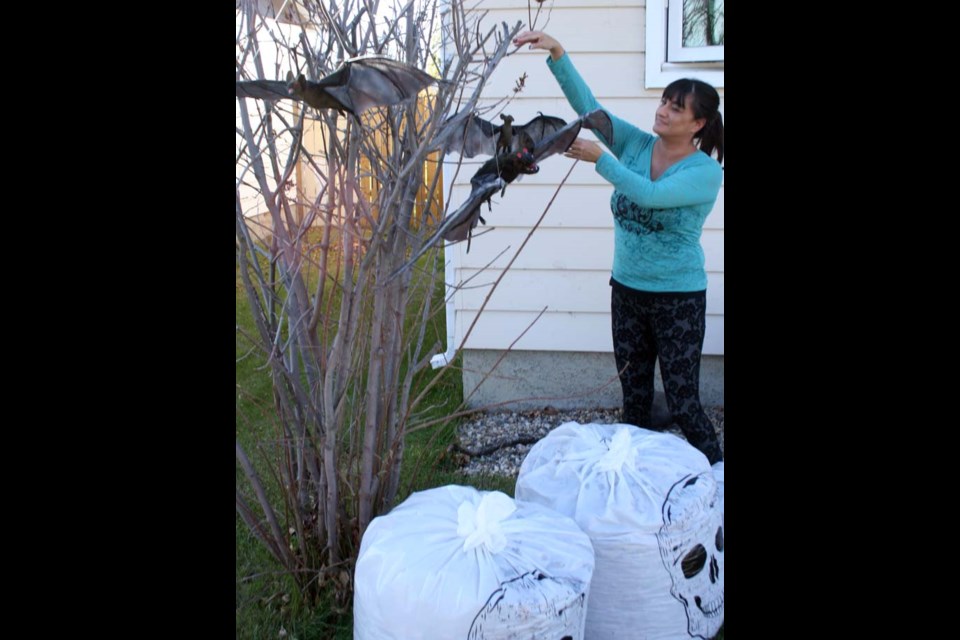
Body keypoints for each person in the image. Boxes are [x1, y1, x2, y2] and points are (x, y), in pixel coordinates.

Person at [512, 30, 725, 464]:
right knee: (635, 402)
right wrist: (557, 51)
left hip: (677, 300)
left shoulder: (705, 172)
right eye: (663, 101)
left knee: (684, 404)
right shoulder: (635, 143)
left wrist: (601, 159)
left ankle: (718, 478)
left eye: (675, 107)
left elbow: (650, 195)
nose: (662, 110)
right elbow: (591, 111)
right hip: (626, 292)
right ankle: (639, 488)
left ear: (698, 124)